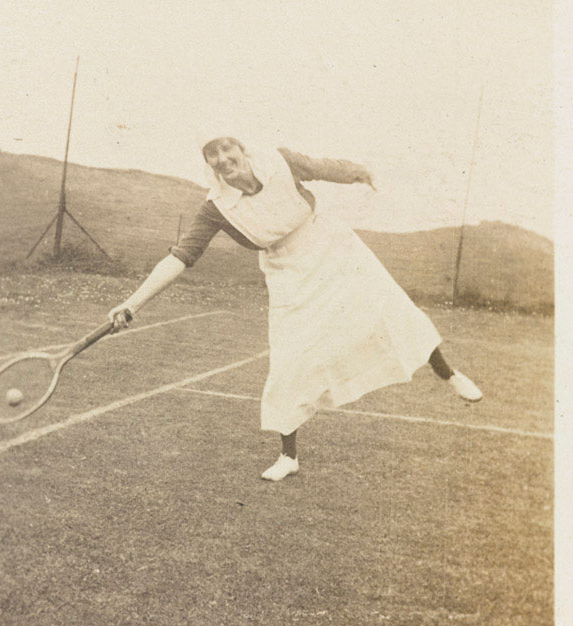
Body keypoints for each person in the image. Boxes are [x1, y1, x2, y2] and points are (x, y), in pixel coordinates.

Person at [108, 134, 482, 481]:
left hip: (331, 244)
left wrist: (360, 173)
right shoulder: (216, 209)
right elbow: (182, 256)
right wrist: (132, 304)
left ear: (242, 149)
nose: (223, 159)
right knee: (288, 359)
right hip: (286, 270)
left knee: (391, 307)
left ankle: (450, 376)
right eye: (213, 155)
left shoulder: (280, 161)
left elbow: (324, 168)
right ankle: (289, 457)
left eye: (227, 149)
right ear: (208, 164)